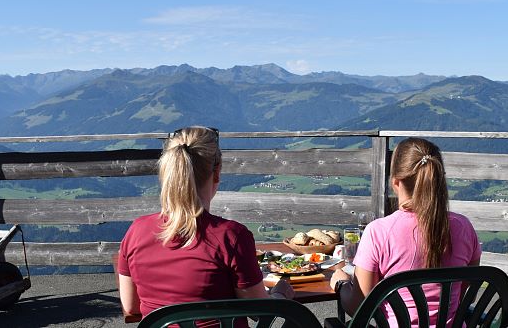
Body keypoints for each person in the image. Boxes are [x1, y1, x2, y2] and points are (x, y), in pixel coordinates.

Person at [117, 126, 293, 327]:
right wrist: (280, 294)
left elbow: (130, 307)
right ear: (216, 172)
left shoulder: (136, 231)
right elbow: (261, 313)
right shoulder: (232, 237)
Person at [330, 137, 481, 327]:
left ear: (396, 182)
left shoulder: (378, 233)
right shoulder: (464, 227)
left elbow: (358, 306)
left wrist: (341, 284)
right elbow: (467, 291)